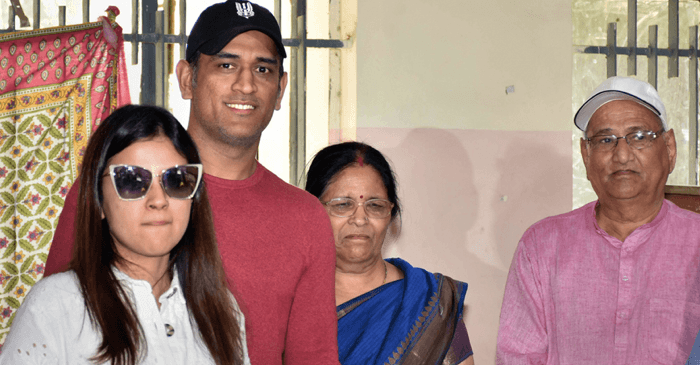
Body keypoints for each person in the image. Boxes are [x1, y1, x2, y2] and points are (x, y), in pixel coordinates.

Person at [43, 2, 339, 364]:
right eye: (226, 65)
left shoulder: (305, 217)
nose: (246, 84)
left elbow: (313, 357)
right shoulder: (120, 191)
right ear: (187, 79)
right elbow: (54, 326)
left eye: (263, 69)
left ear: (280, 89)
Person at [0, 105, 250, 365]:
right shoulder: (57, 305)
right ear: (98, 200)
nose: (158, 200)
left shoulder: (222, 312)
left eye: (176, 179)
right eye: (132, 180)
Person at [496, 76, 700, 364]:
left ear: (669, 148)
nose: (622, 154)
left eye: (639, 136)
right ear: (586, 156)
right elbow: (518, 357)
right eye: (605, 140)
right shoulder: (541, 246)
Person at [305, 141, 474, 365]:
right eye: (342, 204)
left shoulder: (431, 303)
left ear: (390, 213)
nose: (359, 219)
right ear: (311, 210)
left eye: (375, 205)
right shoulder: (289, 300)